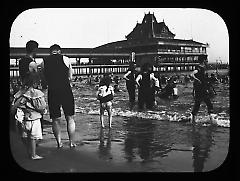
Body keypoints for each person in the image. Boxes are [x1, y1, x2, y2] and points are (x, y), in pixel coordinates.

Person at [41, 44, 76, 148]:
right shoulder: (66, 59)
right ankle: (71, 142)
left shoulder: (44, 62)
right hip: (65, 90)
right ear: (59, 51)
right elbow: (70, 77)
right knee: (70, 117)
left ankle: (59, 143)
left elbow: (44, 80)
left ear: (50, 52)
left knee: (55, 119)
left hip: (52, 91)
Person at [11, 73, 46, 160]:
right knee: (34, 137)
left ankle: (29, 151)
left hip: (23, 118)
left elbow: (15, 104)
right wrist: (43, 111)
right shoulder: (36, 93)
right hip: (34, 118)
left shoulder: (21, 92)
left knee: (25, 135)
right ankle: (33, 154)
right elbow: (40, 107)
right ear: (35, 83)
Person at [190, 59, 214, 123]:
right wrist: (197, 80)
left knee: (198, 103)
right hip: (200, 89)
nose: (207, 62)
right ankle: (211, 119)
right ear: (204, 61)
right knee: (208, 103)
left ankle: (193, 119)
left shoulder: (202, 68)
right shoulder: (199, 68)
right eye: (207, 61)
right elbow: (192, 74)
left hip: (201, 88)